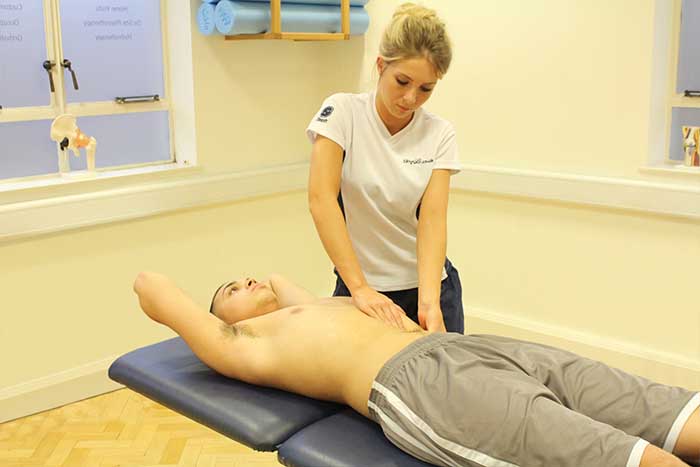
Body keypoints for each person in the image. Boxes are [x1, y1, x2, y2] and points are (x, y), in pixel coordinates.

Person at [135, 270, 700, 467]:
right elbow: (151, 287)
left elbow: (284, 283)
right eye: (231, 289)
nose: (248, 282)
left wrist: (271, 286)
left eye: (247, 274)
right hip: (419, 386)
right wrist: (213, 318)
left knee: (650, 404)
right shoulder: (247, 344)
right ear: (223, 320)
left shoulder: (313, 306)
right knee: (609, 453)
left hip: (464, 348)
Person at [306, 3, 463, 333]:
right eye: (402, 81)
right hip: (360, 289)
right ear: (380, 65)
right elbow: (321, 200)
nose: (410, 98)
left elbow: (432, 220)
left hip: (430, 289)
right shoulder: (342, 113)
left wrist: (430, 303)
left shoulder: (439, 133)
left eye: (425, 89)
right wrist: (360, 289)